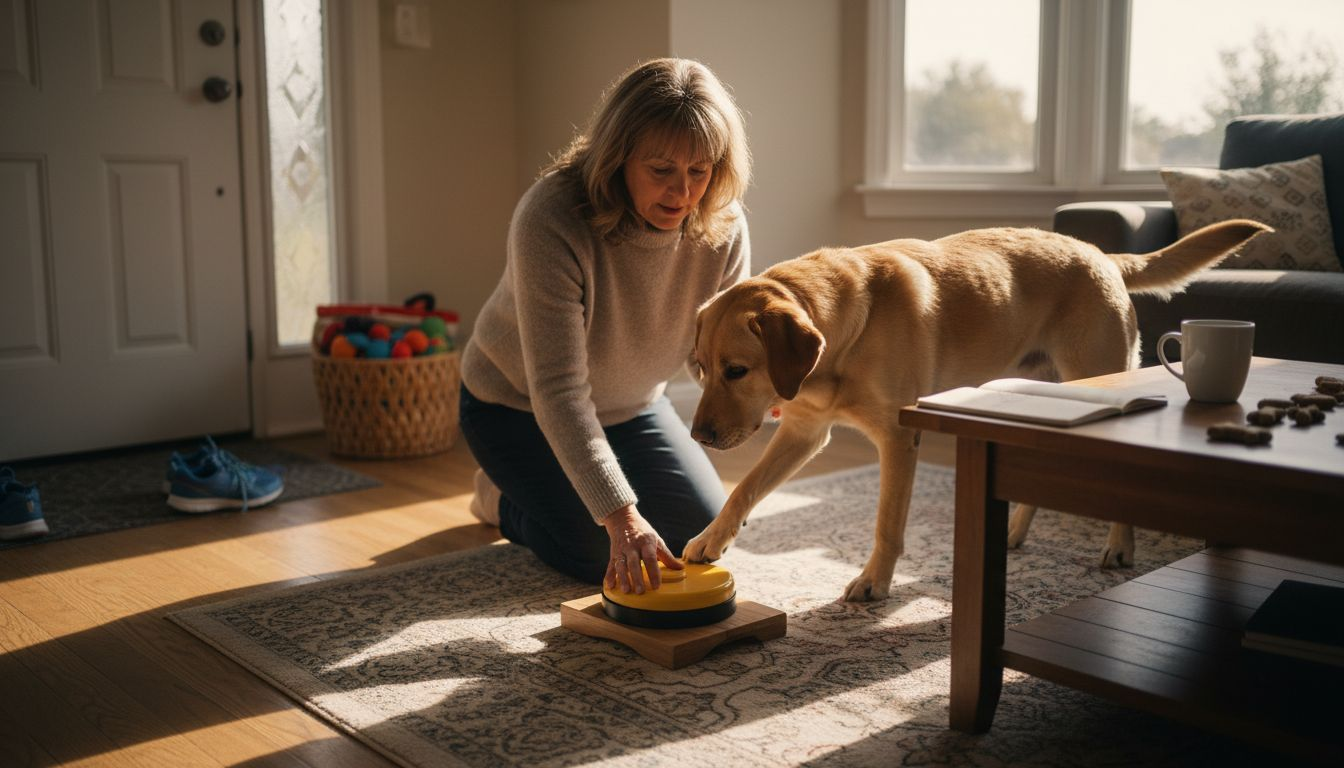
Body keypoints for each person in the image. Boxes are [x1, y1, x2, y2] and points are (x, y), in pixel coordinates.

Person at [458, 58, 752, 596]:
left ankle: (563, 496)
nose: (682, 193)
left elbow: (707, 351)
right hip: (515, 407)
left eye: (700, 171)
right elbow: (560, 392)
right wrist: (621, 518)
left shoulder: (724, 224)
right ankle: (500, 499)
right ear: (618, 158)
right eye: (661, 170)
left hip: (633, 406)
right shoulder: (550, 217)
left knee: (692, 538)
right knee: (602, 551)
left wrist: (757, 385)